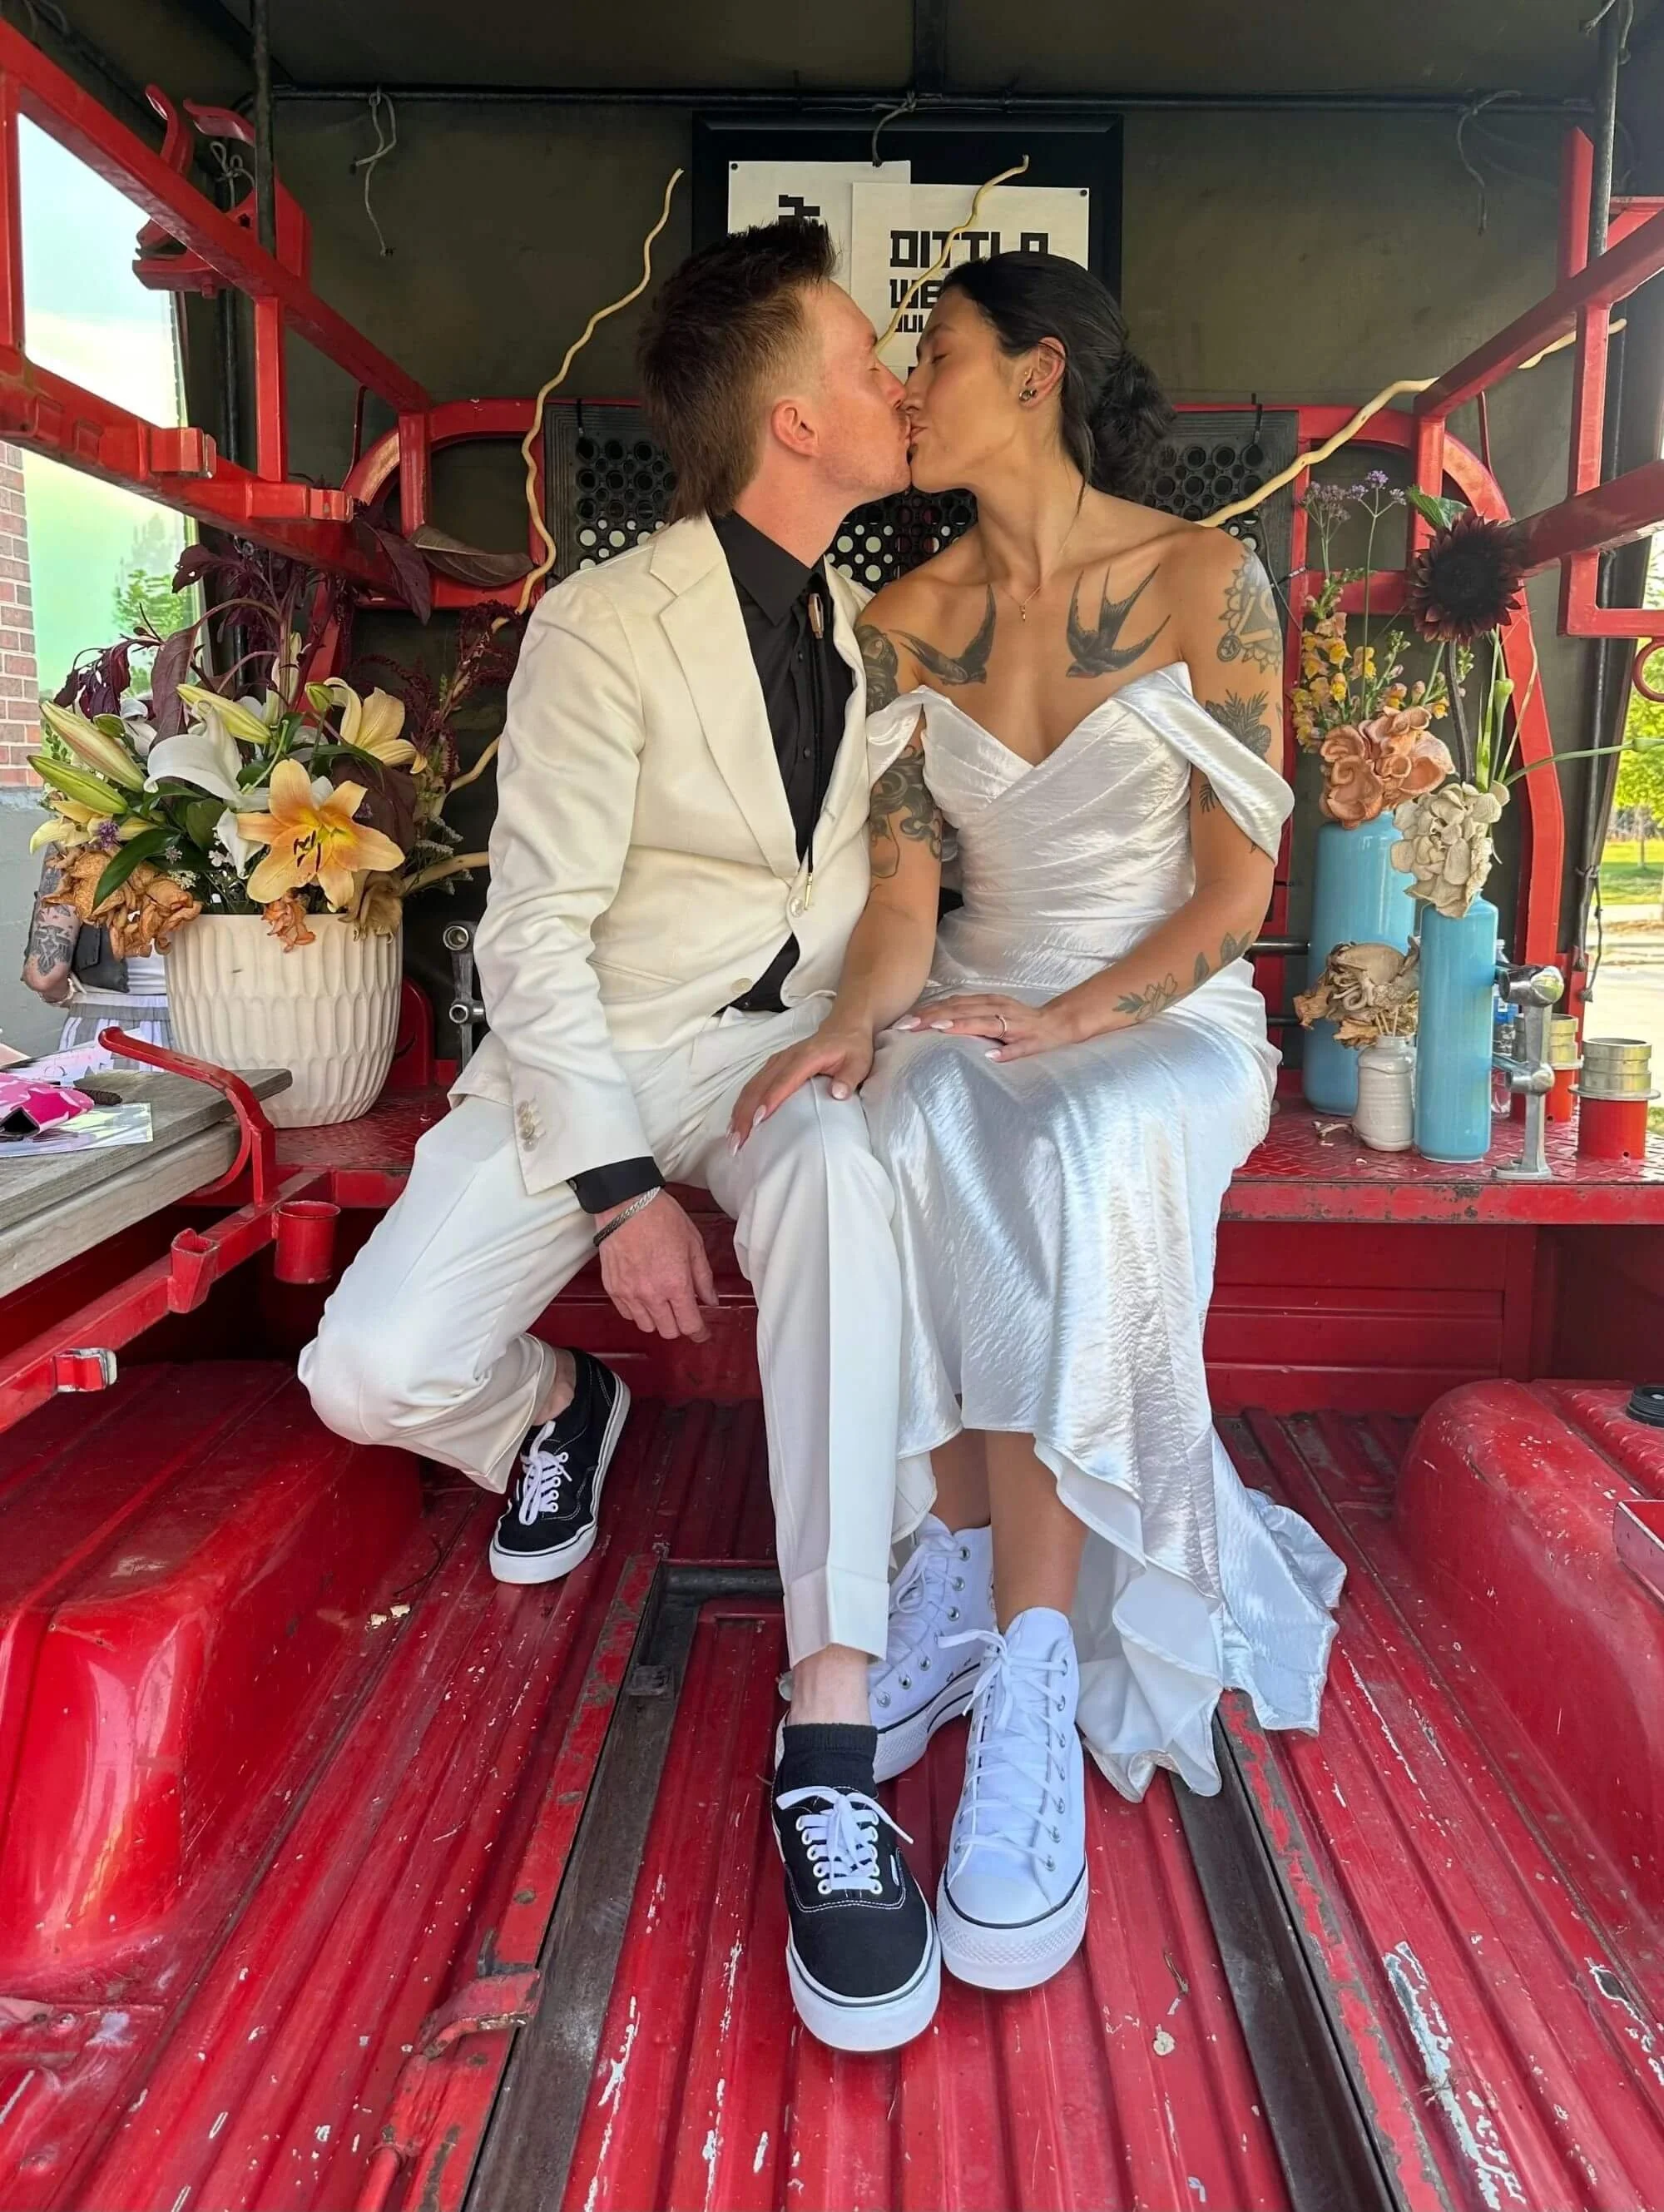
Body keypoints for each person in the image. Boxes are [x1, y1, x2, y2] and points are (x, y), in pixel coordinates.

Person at [300, 219, 943, 2052]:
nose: (898, 383)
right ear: (793, 419)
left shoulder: (852, 632)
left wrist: (852, 1033)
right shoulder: (607, 622)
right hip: (593, 1052)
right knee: (367, 1373)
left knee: (839, 1174)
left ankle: (831, 1733)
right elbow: (530, 938)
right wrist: (613, 1195)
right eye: (867, 359)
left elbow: (867, 891)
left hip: (776, 1066)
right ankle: (555, 1411)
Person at [733, 254, 1345, 1996]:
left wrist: (1072, 1018)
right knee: (906, 1111)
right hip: (975, 994)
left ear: (1038, 371)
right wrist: (851, 1029)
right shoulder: (902, 616)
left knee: (1072, 1142)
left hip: (1161, 1016)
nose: (907, 389)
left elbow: (1235, 897)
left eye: (934, 353)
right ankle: (951, 1568)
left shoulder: (1205, 580)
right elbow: (903, 906)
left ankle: (1032, 1674)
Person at [20, 846, 173, 1054]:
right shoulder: (210, 834)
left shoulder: (75, 839)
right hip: (201, 1027)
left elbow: (44, 975)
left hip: (106, 1032)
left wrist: (70, 997)